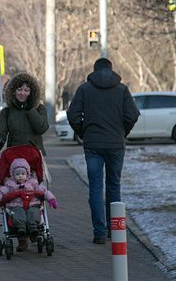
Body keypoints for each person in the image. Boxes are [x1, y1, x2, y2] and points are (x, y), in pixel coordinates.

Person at [66, 58, 140, 244]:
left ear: (95, 70)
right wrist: (122, 132)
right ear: (111, 69)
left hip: (93, 145)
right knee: (114, 186)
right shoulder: (121, 89)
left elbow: (72, 114)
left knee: (96, 188)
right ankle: (115, 231)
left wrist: (83, 132)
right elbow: (132, 115)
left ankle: (99, 232)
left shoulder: (85, 89)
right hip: (116, 144)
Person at [0, 158, 58, 251]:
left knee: (33, 212)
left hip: (32, 205)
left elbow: (44, 191)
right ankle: (21, 229)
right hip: (16, 206)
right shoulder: (10, 185)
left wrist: (51, 199)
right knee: (18, 214)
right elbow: (0, 194)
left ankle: (33, 228)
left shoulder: (33, 184)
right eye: (17, 174)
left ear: (27, 174)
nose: (20, 176)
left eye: (22, 174)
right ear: (13, 175)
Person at [0, 72, 49, 155]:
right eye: (19, 89)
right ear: (13, 91)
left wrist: (30, 109)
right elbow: (0, 132)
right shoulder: (7, 112)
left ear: (31, 93)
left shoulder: (39, 109)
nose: (22, 93)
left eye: (26, 90)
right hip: (14, 156)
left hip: (35, 156)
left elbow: (42, 129)